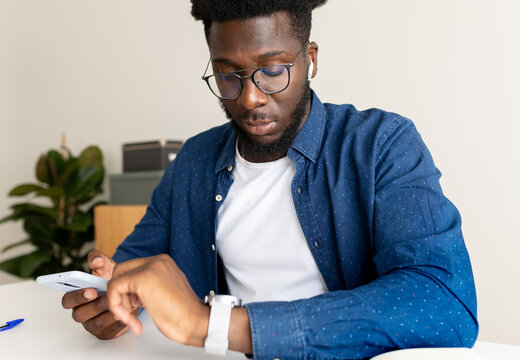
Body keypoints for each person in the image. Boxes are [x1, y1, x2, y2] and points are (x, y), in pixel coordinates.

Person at [61, 1, 479, 358]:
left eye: (274, 70)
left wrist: (211, 325)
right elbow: (140, 261)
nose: (250, 98)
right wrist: (112, 297)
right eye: (228, 75)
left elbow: (442, 301)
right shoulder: (194, 160)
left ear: (310, 59)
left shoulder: (381, 145)